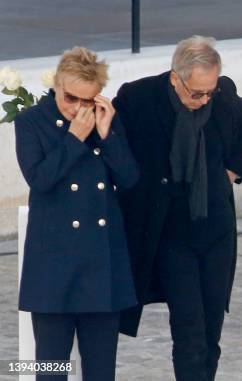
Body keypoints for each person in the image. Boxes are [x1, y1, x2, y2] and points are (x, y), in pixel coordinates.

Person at [112, 35, 242, 381]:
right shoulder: (140, 98)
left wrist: (233, 170)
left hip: (216, 230)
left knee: (211, 332)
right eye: (197, 93)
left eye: (209, 91)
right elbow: (114, 142)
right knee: (189, 330)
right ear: (175, 78)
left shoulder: (224, 97)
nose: (205, 99)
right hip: (171, 233)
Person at [15, 47, 139, 381]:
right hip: (54, 268)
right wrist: (73, 139)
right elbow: (40, 180)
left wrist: (106, 135)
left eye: (89, 100)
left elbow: (129, 179)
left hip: (100, 266)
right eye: (71, 98)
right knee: (51, 370)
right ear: (56, 85)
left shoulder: (106, 121)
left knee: (101, 371)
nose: (79, 109)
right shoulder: (30, 123)